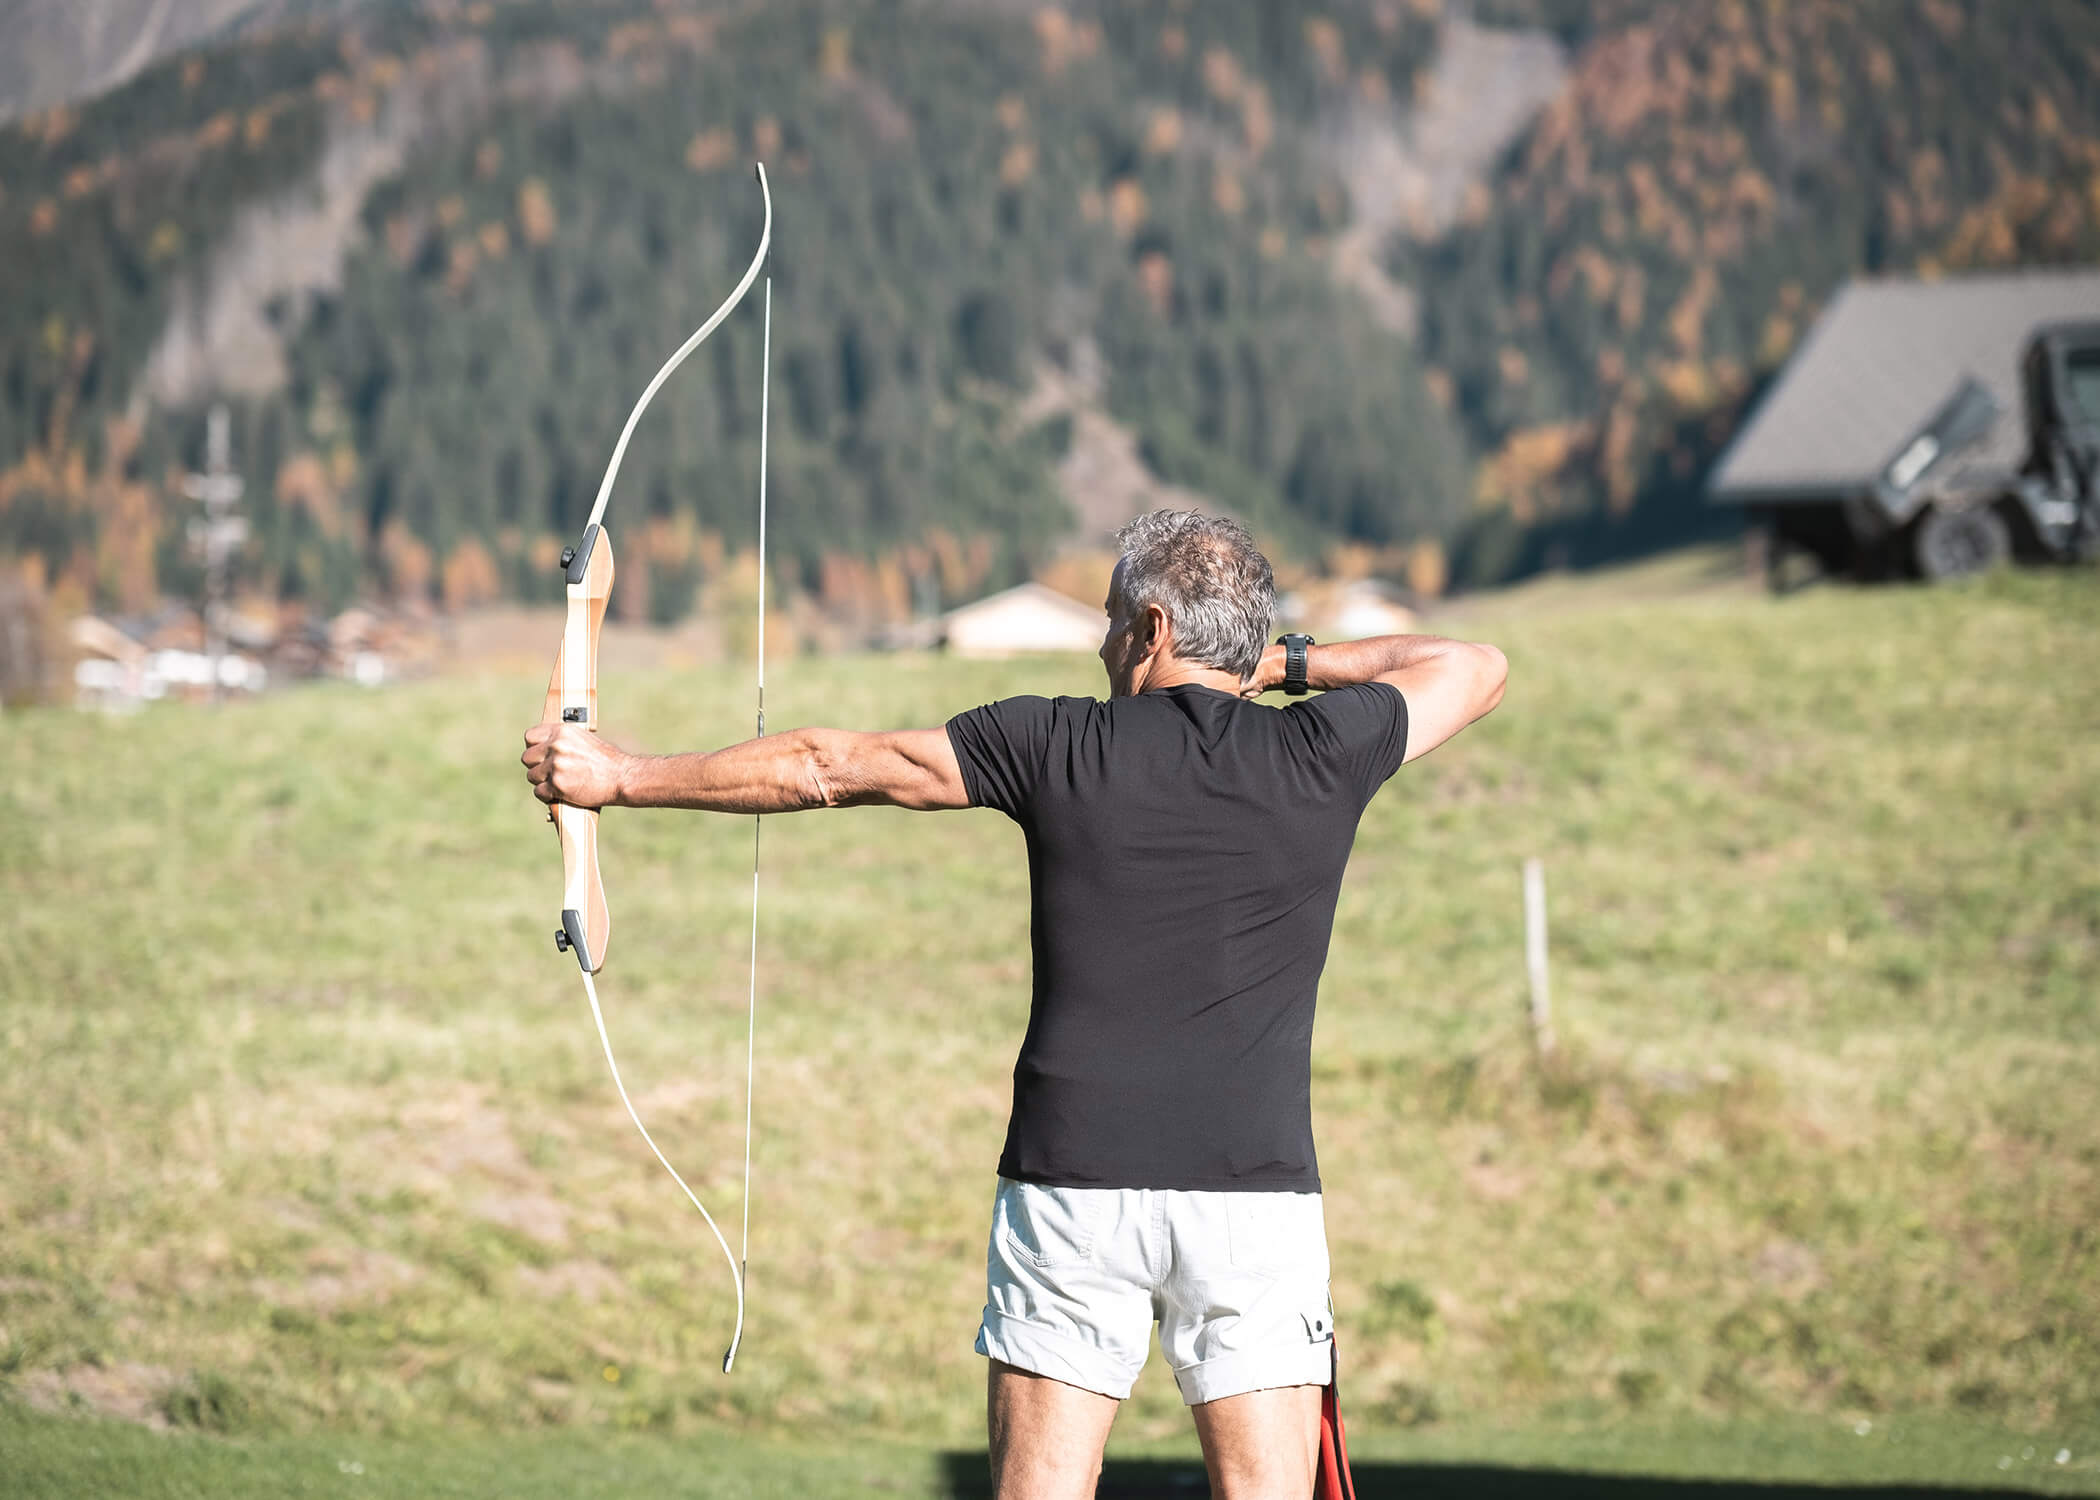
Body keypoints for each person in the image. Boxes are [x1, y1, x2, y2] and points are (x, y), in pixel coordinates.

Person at [521, 509, 1507, 1500]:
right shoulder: (1322, 750)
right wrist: (1287, 664)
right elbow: (1473, 666)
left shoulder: (1055, 741)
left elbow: (827, 766)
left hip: (1073, 1184)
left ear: (1154, 631)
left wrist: (619, 776)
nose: (1102, 644)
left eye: (1114, 620)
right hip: (1255, 1197)